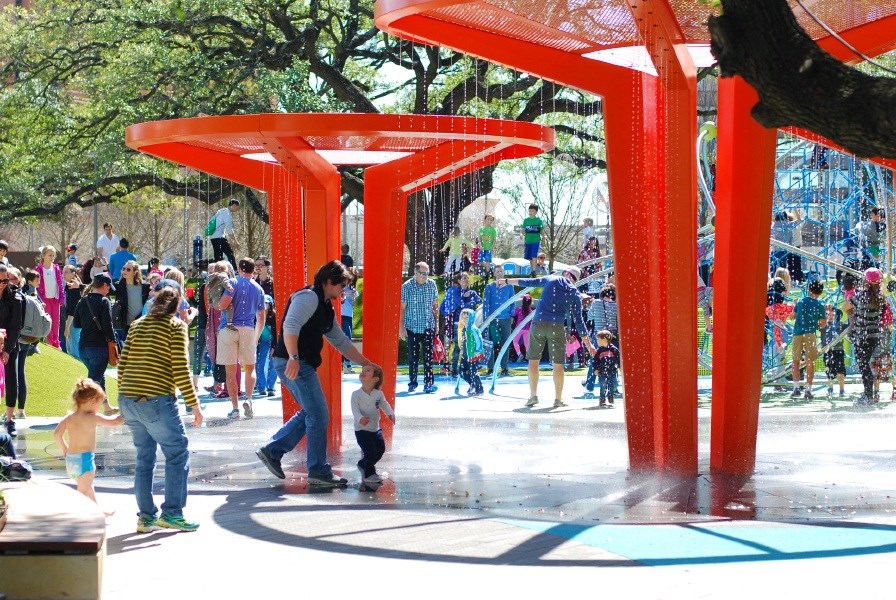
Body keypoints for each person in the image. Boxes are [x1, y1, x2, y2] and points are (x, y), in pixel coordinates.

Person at [255, 261, 374, 486]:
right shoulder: (309, 297)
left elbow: (341, 342)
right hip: (294, 363)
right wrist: (294, 358)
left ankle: (272, 451)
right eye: (342, 285)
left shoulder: (325, 306)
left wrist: (366, 363)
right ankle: (318, 471)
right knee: (318, 414)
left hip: (299, 362)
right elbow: (290, 327)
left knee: (312, 412)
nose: (344, 290)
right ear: (329, 281)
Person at [118, 286, 204, 532]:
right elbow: (180, 370)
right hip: (155, 399)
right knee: (177, 453)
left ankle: (146, 517)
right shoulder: (176, 327)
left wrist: (122, 400)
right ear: (176, 307)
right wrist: (194, 405)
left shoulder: (138, 324)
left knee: (144, 458)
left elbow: (123, 364)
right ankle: (172, 513)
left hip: (129, 398)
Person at [505, 267, 594, 408]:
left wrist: (507, 280)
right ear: (575, 280)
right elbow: (579, 322)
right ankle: (558, 399)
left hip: (538, 324)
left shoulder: (550, 279)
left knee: (533, 361)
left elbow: (528, 282)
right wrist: (589, 346)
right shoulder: (574, 293)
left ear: (565, 273)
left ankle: (533, 396)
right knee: (558, 364)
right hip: (556, 326)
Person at [54, 378, 124, 513]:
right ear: (92, 401)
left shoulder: (68, 418)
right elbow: (115, 422)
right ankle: (77, 515)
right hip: (85, 460)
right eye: (99, 403)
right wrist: (128, 413)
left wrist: (65, 448)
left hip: (71, 460)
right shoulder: (93, 417)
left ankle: (97, 512)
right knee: (83, 490)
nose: (99, 407)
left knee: (88, 487)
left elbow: (57, 434)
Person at [215, 257, 265, 419]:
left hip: (228, 329)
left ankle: (235, 408)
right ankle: (249, 400)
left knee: (231, 371)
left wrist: (216, 303)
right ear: (253, 270)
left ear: (239, 268)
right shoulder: (258, 289)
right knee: (250, 368)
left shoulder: (233, 283)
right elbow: (261, 316)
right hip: (248, 329)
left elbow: (223, 305)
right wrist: (256, 336)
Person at [72, 274, 119, 414]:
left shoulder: (82, 301)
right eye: (109, 286)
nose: (109, 289)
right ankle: (83, 411)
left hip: (83, 347)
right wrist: (113, 340)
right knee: (92, 382)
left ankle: (107, 407)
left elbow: (76, 323)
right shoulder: (104, 301)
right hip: (98, 348)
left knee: (98, 376)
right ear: (104, 285)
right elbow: (107, 325)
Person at [844, 268, 886, 405]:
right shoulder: (881, 297)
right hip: (875, 336)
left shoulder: (861, 296)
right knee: (868, 365)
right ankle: (871, 394)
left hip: (862, 336)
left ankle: (868, 395)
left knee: (863, 366)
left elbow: (846, 307)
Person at [350, 363, 394, 486]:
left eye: (368, 370)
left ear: (375, 379)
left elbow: (384, 404)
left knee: (380, 449)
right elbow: (355, 410)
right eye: (363, 370)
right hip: (361, 429)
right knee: (369, 451)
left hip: (375, 429)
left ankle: (363, 464)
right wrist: (360, 418)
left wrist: (390, 414)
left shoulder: (378, 394)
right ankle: (369, 474)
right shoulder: (356, 394)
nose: (363, 371)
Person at [399, 261, 439, 394]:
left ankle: (428, 383)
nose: (425, 276)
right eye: (423, 273)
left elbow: (435, 306)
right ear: (415, 273)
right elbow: (402, 309)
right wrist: (401, 326)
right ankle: (413, 383)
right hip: (413, 326)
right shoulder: (407, 287)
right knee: (413, 357)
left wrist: (437, 323)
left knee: (428, 357)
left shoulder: (431, 284)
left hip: (428, 325)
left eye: (427, 273)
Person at [789, 280, 827, 400]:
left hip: (797, 333)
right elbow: (822, 324)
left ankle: (796, 388)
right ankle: (808, 389)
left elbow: (792, 316)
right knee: (810, 361)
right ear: (820, 293)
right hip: (810, 334)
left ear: (809, 289)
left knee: (795, 360)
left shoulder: (800, 302)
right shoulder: (819, 305)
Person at [1, 264, 23, 437]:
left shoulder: (15, 297)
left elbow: (16, 326)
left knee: (11, 378)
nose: (2, 284)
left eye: (5, 280)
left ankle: (9, 420)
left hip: (9, 343)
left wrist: (7, 349)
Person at [483, 265, 515, 376]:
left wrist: (512, 315)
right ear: (494, 273)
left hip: (505, 319)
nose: (500, 273)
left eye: (501, 271)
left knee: (505, 344)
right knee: (490, 344)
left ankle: (505, 368)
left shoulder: (510, 287)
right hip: (492, 319)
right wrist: (485, 318)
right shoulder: (489, 287)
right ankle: (490, 369)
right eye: (497, 271)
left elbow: (512, 301)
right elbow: (486, 303)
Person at [113, 260, 150, 348]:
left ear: (135, 272)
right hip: (125, 325)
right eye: (124, 269)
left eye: (128, 269)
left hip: (141, 324)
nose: (124, 271)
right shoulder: (118, 286)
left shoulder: (145, 287)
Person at [36, 244, 64, 349]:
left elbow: (60, 284)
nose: (52, 258)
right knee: (48, 320)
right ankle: (49, 341)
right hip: (45, 299)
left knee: (56, 320)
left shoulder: (56, 268)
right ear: (43, 256)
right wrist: (41, 299)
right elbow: (38, 286)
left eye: (53, 255)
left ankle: (56, 342)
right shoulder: (39, 269)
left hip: (55, 299)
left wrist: (61, 297)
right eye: (49, 255)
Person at [254, 294, 278, 397]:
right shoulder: (255, 316)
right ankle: (261, 387)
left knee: (273, 364)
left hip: (272, 341)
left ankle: (271, 387)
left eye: (266, 303)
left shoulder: (274, 317)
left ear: (270, 304)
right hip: (261, 342)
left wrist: (274, 347)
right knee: (260, 363)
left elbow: (277, 333)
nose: (264, 305)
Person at [457, 308, 485, 395]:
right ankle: (473, 384)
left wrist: (478, 350)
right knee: (461, 371)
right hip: (465, 355)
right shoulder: (464, 329)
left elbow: (479, 340)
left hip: (473, 355)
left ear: (471, 318)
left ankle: (479, 388)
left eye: (467, 317)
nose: (464, 319)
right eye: (463, 317)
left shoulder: (473, 329)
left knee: (473, 372)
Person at [822, 305, 847, 398]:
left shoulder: (840, 324)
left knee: (840, 370)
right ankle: (830, 388)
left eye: (833, 315)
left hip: (838, 350)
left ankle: (841, 389)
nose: (831, 317)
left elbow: (850, 326)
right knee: (829, 370)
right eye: (828, 315)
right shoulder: (823, 325)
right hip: (827, 351)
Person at [590, 330, 621, 407]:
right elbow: (595, 361)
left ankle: (610, 394)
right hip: (602, 372)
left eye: (598, 339)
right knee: (603, 386)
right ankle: (602, 399)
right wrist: (595, 369)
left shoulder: (614, 349)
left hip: (613, 371)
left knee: (615, 384)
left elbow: (618, 359)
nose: (597, 341)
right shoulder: (599, 351)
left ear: (604, 339)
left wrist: (620, 367)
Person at [209, 199, 241, 269]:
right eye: (237, 207)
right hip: (219, 237)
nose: (237, 209)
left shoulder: (220, 211)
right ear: (233, 205)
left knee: (218, 256)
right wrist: (236, 241)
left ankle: (217, 271)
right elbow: (229, 230)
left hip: (213, 237)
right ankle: (234, 271)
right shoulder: (227, 213)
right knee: (230, 253)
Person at [62, 265, 85, 361]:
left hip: (74, 321)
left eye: (66, 272)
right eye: (63, 272)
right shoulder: (70, 285)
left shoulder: (74, 287)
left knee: (73, 350)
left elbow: (72, 310)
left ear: (73, 274)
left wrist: (67, 327)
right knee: (71, 347)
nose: (63, 274)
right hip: (72, 320)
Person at [341, 274, 357, 373]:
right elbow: (337, 298)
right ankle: (346, 364)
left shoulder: (352, 289)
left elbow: (352, 304)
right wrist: (345, 295)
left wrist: (353, 297)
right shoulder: (340, 287)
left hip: (349, 315)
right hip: (341, 315)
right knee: (346, 337)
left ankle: (346, 363)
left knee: (348, 338)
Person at [512, 293, 534, 362]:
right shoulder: (531, 311)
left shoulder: (519, 309)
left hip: (519, 328)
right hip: (527, 329)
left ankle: (519, 353)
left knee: (515, 341)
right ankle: (529, 357)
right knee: (527, 344)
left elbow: (513, 314)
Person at [522, 204, 543, 273]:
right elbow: (523, 230)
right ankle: (532, 270)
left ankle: (534, 271)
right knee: (530, 257)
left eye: (533, 211)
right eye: (530, 211)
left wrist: (544, 240)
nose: (531, 212)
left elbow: (541, 231)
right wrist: (521, 234)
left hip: (536, 241)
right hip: (528, 241)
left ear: (536, 212)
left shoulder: (539, 221)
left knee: (534, 255)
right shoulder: (526, 221)